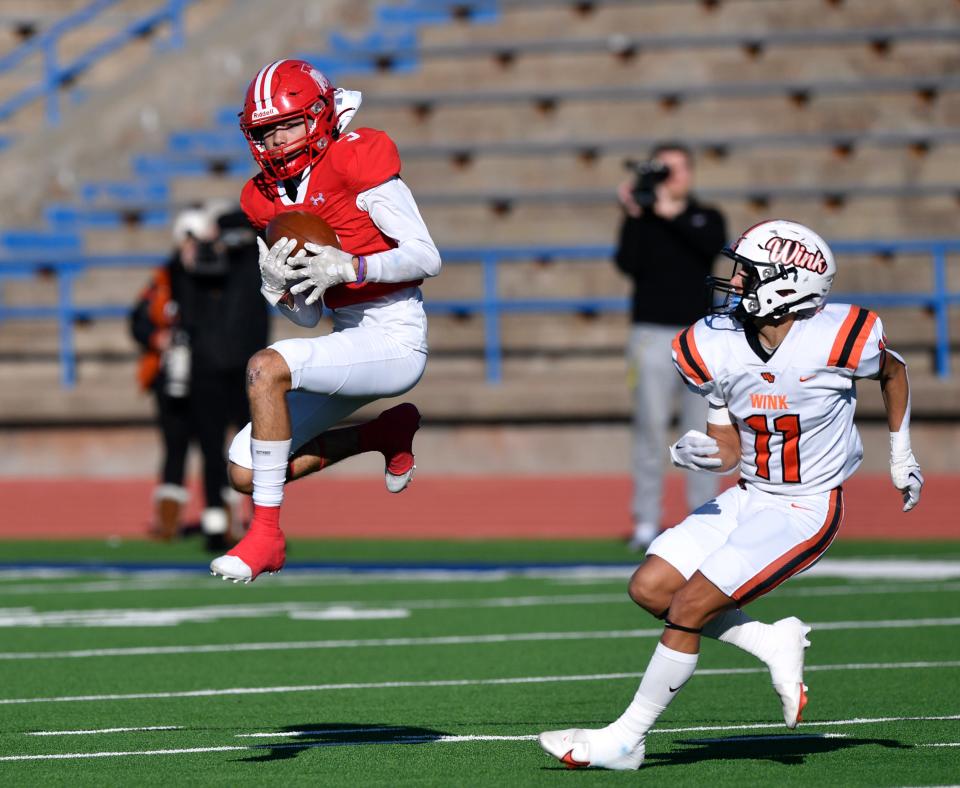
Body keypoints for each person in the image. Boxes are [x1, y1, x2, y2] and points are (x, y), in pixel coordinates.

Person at [539, 219, 924, 770]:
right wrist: (696, 452)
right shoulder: (713, 339)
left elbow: (894, 372)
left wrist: (901, 453)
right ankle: (770, 641)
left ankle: (624, 739)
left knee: (691, 605)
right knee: (651, 588)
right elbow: (725, 444)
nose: (735, 280)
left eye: (748, 272)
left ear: (789, 283)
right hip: (750, 493)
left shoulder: (842, 334)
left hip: (805, 504)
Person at [209, 59, 440, 583]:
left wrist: (356, 266)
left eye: (288, 125)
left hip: (394, 333)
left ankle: (266, 537)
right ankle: (384, 433)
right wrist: (275, 290)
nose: (278, 143)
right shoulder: (262, 197)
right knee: (245, 471)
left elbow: (427, 256)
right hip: (347, 339)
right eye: (266, 133)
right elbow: (310, 315)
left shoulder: (356, 156)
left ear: (319, 117)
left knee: (266, 367)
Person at [130, 203, 268, 547]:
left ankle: (246, 521)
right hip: (208, 371)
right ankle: (217, 522)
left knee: (249, 448)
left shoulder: (244, 262)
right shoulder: (183, 272)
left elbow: (250, 231)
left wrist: (215, 229)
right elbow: (143, 316)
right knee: (205, 449)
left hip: (239, 370)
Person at [614, 142, 727, 550]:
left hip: (700, 337)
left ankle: (705, 517)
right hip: (651, 335)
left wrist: (667, 214)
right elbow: (628, 262)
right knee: (649, 430)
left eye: (676, 169)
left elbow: (709, 249)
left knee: (703, 433)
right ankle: (646, 520)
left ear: (690, 173)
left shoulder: (705, 216)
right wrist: (635, 215)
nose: (670, 178)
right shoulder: (642, 217)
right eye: (664, 170)